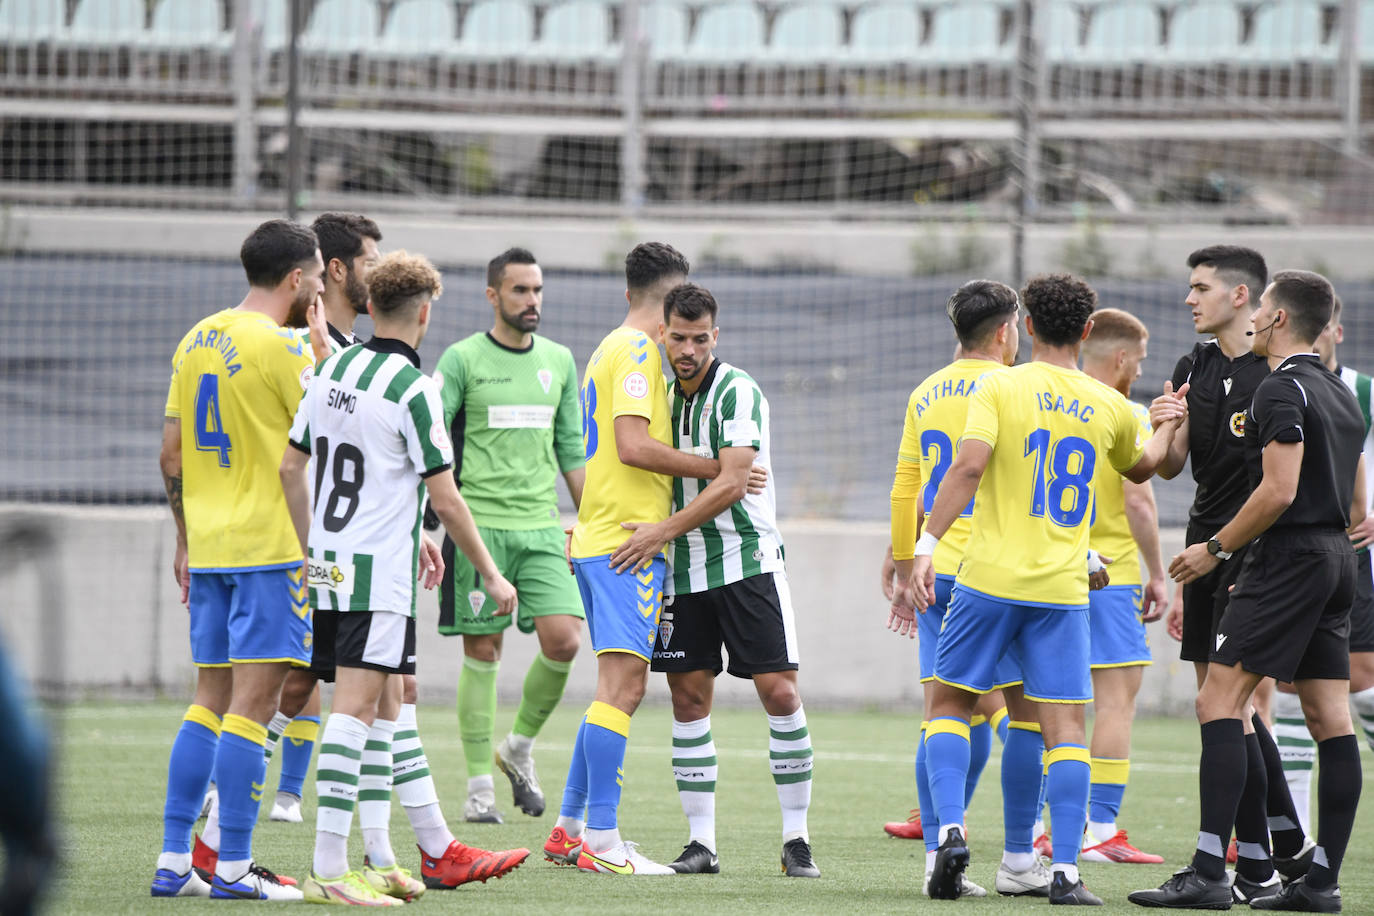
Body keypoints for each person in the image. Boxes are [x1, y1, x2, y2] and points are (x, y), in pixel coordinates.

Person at [910, 273, 1186, 905]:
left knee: (949, 706)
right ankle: (1061, 868)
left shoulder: (998, 385)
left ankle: (949, 830)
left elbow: (969, 466)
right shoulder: (1111, 405)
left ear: (1026, 326)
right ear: (1087, 331)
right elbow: (1144, 469)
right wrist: (1167, 423)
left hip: (986, 581)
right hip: (1064, 589)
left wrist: (926, 546)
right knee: (1062, 726)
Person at [277, 237, 532, 895]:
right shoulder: (415, 388)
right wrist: (494, 575)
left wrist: (314, 549)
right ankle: (332, 870)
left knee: (390, 708)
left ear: (368, 304)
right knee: (356, 711)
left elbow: (292, 466)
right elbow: (446, 498)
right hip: (376, 575)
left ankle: (410, 851)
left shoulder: (330, 369)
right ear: (425, 315)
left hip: (332, 565)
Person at [1129, 270, 1366, 913]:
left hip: (1285, 559)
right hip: (1337, 559)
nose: (1255, 316)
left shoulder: (1281, 387)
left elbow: (1278, 490)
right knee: (1329, 719)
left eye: (1262, 307)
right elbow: (1346, 487)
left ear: (1280, 318)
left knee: (1220, 704)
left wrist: (1215, 549)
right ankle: (1317, 882)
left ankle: (1212, 870)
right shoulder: (1340, 392)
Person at [605, 282, 818, 877]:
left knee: (780, 692)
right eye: (679, 337)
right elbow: (633, 451)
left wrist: (660, 531)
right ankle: (702, 844)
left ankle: (797, 839)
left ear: (715, 337)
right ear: (663, 334)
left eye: (701, 339)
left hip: (747, 562)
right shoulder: (654, 393)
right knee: (687, 698)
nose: (689, 349)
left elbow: (731, 485)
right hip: (682, 570)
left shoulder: (738, 390)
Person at [543, 242, 734, 876]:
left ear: (628, 291)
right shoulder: (632, 351)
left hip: (605, 539)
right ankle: (602, 840)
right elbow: (631, 444)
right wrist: (717, 469)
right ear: (669, 301)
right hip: (627, 544)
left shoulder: (610, 345)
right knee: (622, 691)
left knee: (610, 689)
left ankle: (570, 827)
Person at [151, 218, 324, 901]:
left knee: (209, 700)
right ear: (294, 280)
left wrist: (184, 537)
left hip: (213, 544)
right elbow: (326, 438)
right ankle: (233, 868)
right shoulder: (286, 347)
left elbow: (171, 453)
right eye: (314, 273)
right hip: (272, 549)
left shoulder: (196, 337)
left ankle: (173, 861)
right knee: (254, 707)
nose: (319, 284)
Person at [1149, 246, 1312, 894]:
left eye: (1201, 287)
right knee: (1227, 711)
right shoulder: (1196, 363)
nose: (1190, 299)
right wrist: (1165, 425)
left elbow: (1278, 487)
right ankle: (1276, 857)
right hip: (1202, 550)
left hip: (1249, 555)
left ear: (1241, 296)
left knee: (1229, 707)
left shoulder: (1273, 375)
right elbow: (1169, 465)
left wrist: (1228, 554)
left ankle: (1250, 863)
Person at [885, 279, 1048, 898]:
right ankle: (1018, 857)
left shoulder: (926, 389)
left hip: (935, 572)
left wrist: (905, 565)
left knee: (942, 710)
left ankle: (938, 854)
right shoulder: (1011, 386)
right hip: (1001, 569)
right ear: (1007, 331)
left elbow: (907, 487)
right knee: (1026, 713)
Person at [430, 247, 586, 826]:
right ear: (493, 296)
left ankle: (517, 748)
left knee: (566, 639)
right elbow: (433, 442)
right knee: (483, 652)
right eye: (520, 291)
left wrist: (589, 521)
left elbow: (571, 448)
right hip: (478, 526)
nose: (532, 302)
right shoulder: (462, 360)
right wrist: (429, 521)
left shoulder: (560, 362)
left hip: (542, 526)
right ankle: (477, 791)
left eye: (538, 290)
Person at [274, 211, 382, 824]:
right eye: (370, 259)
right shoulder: (302, 352)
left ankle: (300, 800)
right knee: (289, 679)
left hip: (350, 546)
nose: (381, 270)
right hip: (307, 542)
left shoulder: (352, 354)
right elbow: (289, 455)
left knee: (370, 684)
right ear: (336, 270)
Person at [1271, 293, 1374, 834]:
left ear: (1335, 331)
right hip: (1302, 555)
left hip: (1346, 554)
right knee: (1290, 696)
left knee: (1361, 685)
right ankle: (1297, 835)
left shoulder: (1358, 391)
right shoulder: (1281, 384)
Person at [1076, 309, 1167, 865]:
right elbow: (1138, 499)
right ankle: (1100, 830)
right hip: (1111, 578)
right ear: (1122, 359)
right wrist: (1159, 573)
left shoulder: (1046, 405)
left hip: (1051, 572)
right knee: (1115, 704)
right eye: (1140, 360)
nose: (1140, 370)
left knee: (1051, 707)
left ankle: (1049, 829)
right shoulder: (1125, 411)